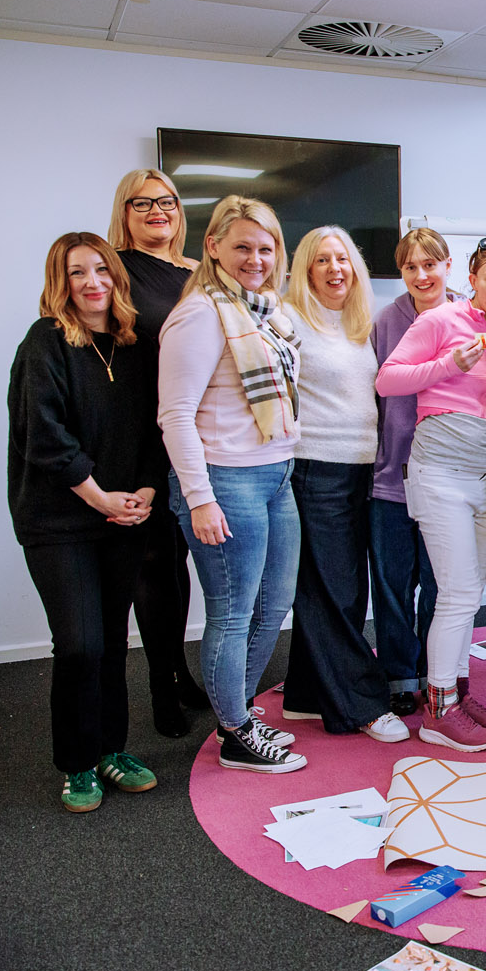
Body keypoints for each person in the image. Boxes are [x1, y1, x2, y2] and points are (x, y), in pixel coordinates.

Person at [7, 232, 163, 811]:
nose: (92, 282)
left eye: (101, 269)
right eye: (78, 273)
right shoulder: (45, 343)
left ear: (117, 277)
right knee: (78, 644)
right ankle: (76, 762)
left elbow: (160, 424)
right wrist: (100, 497)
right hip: (59, 519)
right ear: (61, 282)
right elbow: (44, 437)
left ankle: (110, 749)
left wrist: (145, 489)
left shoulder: (139, 343)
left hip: (124, 513)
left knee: (112, 642)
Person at [158, 196, 305, 774]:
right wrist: (199, 497)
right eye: (242, 246)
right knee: (233, 611)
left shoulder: (269, 312)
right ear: (213, 246)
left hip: (276, 473)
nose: (256, 258)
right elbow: (175, 415)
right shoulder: (200, 314)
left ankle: (234, 711)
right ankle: (236, 733)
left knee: (273, 605)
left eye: (266, 247)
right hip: (225, 481)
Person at [376, 238, 486, 752]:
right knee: (457, 593)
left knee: (470, 592)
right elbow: (387, 381)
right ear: (474, 277)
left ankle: (456, 693)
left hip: (485, 469)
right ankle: (439, 711)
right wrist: (449, 366)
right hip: (439, 469)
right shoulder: (439, 320)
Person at [279, 226, 406, 743]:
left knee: (336, 588)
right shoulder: (288, 319)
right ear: (305, 269)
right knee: (335, 589)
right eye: (323, 261)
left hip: (361, 470)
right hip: (317, 468)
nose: (336, 269)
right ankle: (361, 705)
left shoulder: (358, 323)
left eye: (343, 260)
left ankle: (308, 694)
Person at [106, 168, 208, 737]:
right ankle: (159, 688)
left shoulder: (198, 273)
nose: (156, 212)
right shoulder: (114, 271)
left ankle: (177, 672)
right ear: (124, 211)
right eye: (141, 203)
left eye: (165, 202)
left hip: (198, 433)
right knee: (152, 565)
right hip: (143, 434)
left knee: (181, 565)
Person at [369, 228, 452, 720]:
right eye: (410, 267)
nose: (421, 275)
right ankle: (400, 676)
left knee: (441, 584)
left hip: (448, 476)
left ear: (447, 264)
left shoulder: (470, 315)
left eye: (430, 264)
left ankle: (437, 671)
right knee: (394, 585)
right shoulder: (387, 320)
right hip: (391, 479)